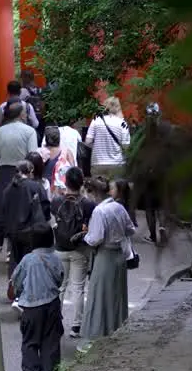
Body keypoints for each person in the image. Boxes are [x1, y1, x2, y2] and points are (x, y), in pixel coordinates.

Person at [11, 223, 64, 371]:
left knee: (30, 341)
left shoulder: (28, 259)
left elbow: (16, 280)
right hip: (53, 304)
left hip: (32, 306)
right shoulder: (56, 258)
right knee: (51, 340)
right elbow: (60, 277)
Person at [82, 175, 136, 339]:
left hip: (105, 256)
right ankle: (116, 329)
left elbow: (95, 238)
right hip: (119, 256)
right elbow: (131, 229)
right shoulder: (118, 207)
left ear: (94, 193)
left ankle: (97, 334)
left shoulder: (99, 211)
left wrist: (85, 236)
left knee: (99, 295)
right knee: (116, 296)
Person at [0, 159, 51, 303]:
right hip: (32, 233)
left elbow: (1, 215)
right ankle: (28, 293)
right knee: (31, 263)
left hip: (13, 233)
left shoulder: (8, 190)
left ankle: (15, 290)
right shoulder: (36, 187)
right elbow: (45, 209)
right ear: (31, 171)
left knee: (15, 261)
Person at [54, 167, 96, 337]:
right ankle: (76, 325)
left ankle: (55, 322)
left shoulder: (56, 201)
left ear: (65, 182)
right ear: (81, 183)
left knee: (60, 288)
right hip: (79, 248)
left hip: (60, 248)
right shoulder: (88, 204)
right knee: (78, 288)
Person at [0, 102, 39, 218]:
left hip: (4, 175)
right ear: (21, 115)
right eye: (25, 113)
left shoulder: (0, 131)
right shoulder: (29, 131)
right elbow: (33, 157)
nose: (26, 115)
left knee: (2, 217)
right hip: (23, 175)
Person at [84, 96, 131, 179]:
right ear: (118, 107)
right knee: (115, 189)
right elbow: (126, 146)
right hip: (116, 164)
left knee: (98, 189)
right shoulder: (122, 123)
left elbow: (88, 141)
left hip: (98, 163)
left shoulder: (96, 120)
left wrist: (98, 146)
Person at [38, 126, 76, 199]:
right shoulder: (66, 152)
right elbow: (73, 172)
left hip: (43, 188)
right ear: (59, 138)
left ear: (46, 138)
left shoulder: (40, 152)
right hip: (60, 190)